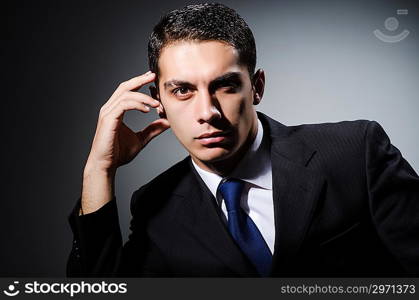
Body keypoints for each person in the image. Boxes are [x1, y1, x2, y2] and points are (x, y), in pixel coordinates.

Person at [67, 3, 419, 277]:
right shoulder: (155, 207)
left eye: (226, 85)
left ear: (257, 88)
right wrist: (99, 170)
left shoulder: (355, 152)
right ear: (158, 99)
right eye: (182, 90)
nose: (207, 111)